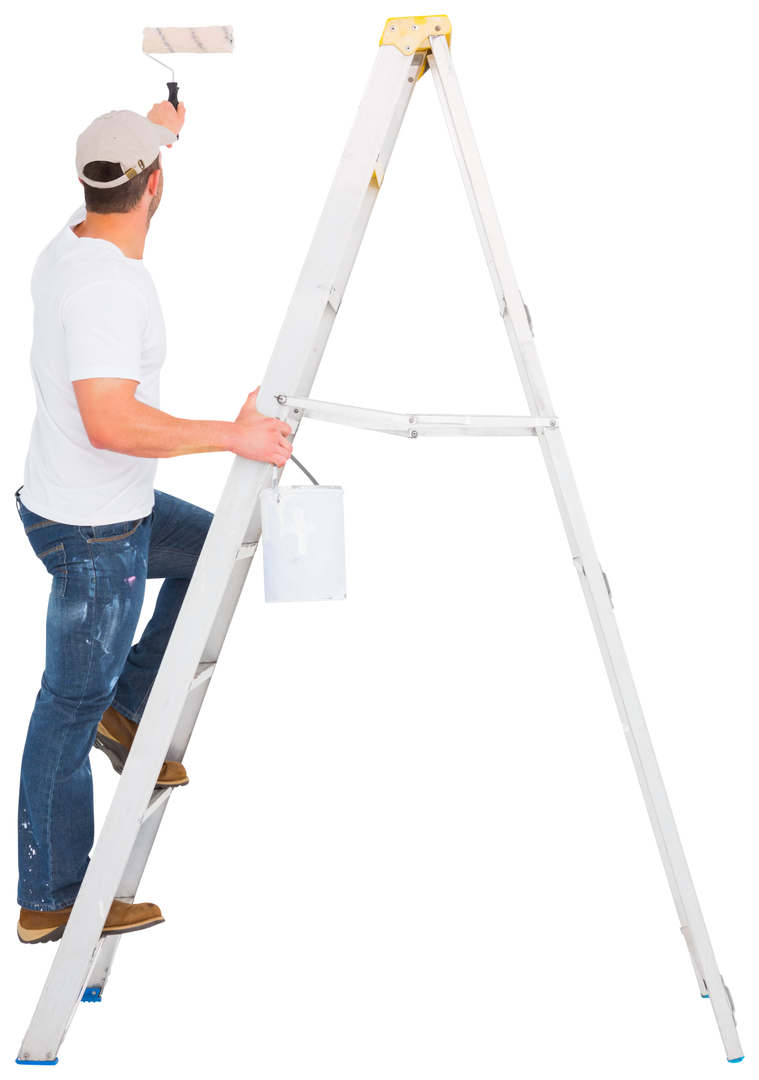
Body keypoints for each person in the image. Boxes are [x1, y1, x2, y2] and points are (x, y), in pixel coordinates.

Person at [14, 100, 295, 948]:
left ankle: (129, 709)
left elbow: (108, 178)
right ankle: (53, 899)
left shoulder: (67, 243)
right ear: (156, 188)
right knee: (63, 710)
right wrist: (231, 435)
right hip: (94, 536)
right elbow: (111, 421)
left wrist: (151, 132)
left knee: (211, 545)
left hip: (74, 502)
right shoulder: (110, 288)